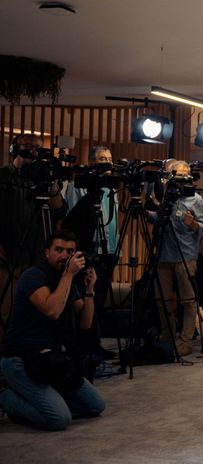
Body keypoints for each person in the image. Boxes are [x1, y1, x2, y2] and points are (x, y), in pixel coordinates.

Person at [0, 229, 106, 430]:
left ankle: (45, 397)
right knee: (59, 419)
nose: (64, 256)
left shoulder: (67, 281)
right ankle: (6, 397)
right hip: (20, 360)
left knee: (95, 406)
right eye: (59, 250)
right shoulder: (33, 276)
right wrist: (68, 274)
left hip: (50, 361)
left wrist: (90, 289)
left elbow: (85, 322)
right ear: (46, 252)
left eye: (70, 251)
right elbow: (52, 310)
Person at [1, 134, 67, 339]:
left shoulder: (41, 178)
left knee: (36, 307)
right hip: (7, 252)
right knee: (5, 308)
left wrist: (53, 184)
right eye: (27, 147)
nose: (32, 152)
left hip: (37, 252)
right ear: (14, 149)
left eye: (37, 148)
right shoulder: (3, 176)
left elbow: (60, 211)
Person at [61, 145, 119, 361]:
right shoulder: (81, 185)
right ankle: (85, 344)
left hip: (108, 249)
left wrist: (115, 249)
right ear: (93, 162)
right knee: (86, 296)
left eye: (109, 158)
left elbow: (112, 223)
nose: (107, 162)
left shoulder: (111, 187)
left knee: (100, 298)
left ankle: (96, 342)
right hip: (88, 248)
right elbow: (73, 217)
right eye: (102, 158)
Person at [151, 160, 203, 357]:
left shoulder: (195, 199)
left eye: (184, 173)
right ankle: (167, 335)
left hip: (186, 255)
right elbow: (156, 217)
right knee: (162, 299)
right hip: (163, 255)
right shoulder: (161, 196)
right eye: (176, 173)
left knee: (188, 300)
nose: (180, 177)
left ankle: (185, 340)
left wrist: (192, 224)